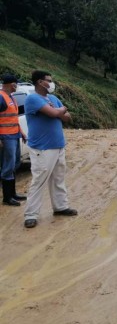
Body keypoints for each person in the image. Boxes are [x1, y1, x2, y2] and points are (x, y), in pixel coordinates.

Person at [23, 70, 77, 229]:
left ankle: (60, 207)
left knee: (58, 178)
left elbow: (68, 117)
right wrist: (60, 111)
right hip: (42, 147)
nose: (52, 83)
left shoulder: (53, 98)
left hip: (59, 145)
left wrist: (59, 112)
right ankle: (31, 215)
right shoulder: (32, 99)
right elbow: (55, 113)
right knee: (39, 180)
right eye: (49, 80)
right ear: (40, 82)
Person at [0, 73, 27, 206]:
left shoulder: (11, 97)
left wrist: (21, 133)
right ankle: (7, 197)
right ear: (12, 85)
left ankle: (13, 193)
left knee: (15, 164)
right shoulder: (1, 97)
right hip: (5, 137)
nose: (17, 86)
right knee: (8, 166)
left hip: (14, 135)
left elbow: (13, 119)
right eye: (16, 84)